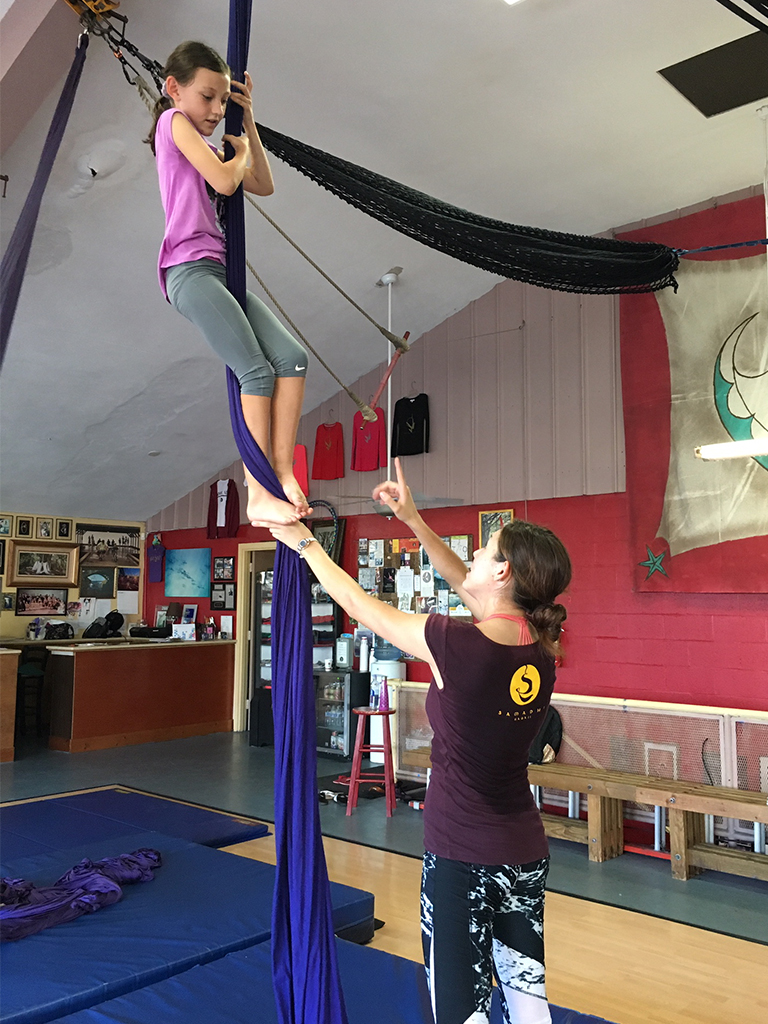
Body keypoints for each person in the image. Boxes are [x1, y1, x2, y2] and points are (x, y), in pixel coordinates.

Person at [269, 458, 572, 1024]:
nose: (476, 554)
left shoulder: (459, 645)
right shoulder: (539, 644)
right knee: (526, 995)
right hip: (523, 852)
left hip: (463, 855)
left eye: (486, 549)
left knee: (460, 1009)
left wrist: (306, 544)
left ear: (504, 574)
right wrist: (411, 518)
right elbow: (465, 579)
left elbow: (361, 606)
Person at [146, 41, 310, 527]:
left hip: (219, 268)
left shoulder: (211, 138)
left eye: (224, 101)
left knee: (292, 357)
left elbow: (262, 183)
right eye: (208, 98)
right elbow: (225, 181)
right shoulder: (172, 122)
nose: (217, 110)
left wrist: (248, 122)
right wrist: (233, 156)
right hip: (188, 271)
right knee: (255, 372)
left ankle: (281, 471)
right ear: (174, 89)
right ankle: (257, 489)